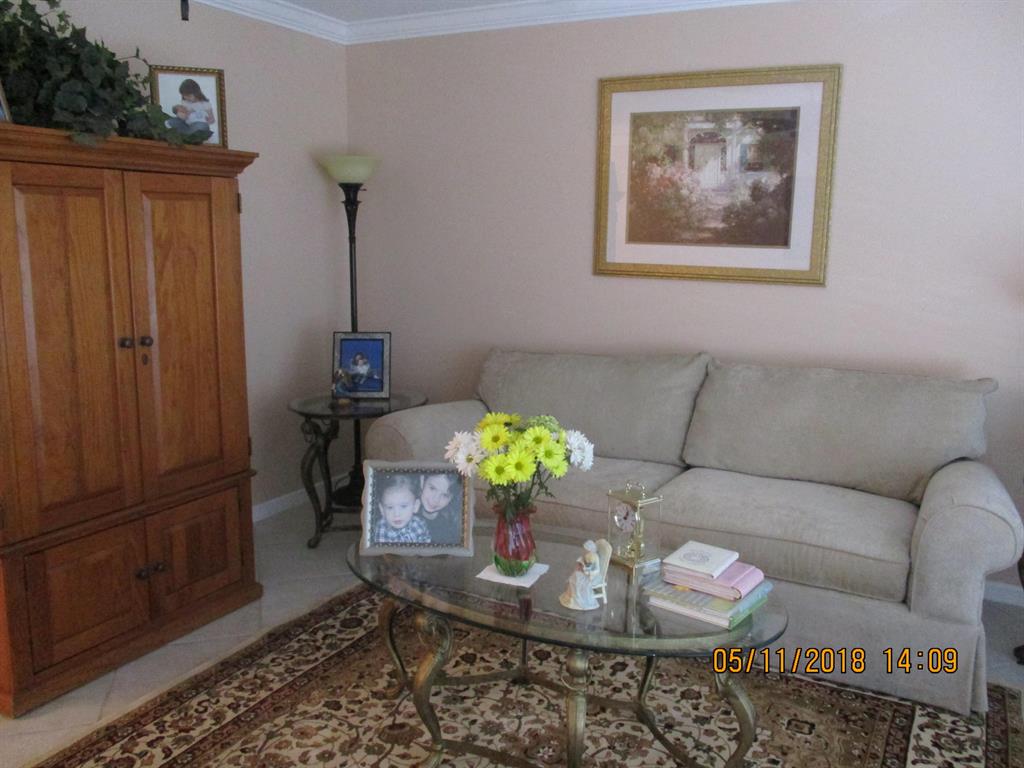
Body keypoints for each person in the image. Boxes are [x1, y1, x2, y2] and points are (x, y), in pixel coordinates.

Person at [374, 475, 429, 544]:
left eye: (403, 506)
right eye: (390, 507)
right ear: (382, 509)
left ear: (415, 506)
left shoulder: (419, 525)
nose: (397, 514)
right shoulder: (382, 529)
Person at [418, 473, 461, 543]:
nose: (436, 499)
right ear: (422, 481)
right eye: (432, 488)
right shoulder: (403, 508)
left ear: (451, 498)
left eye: (445, 495)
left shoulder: (448, 531)